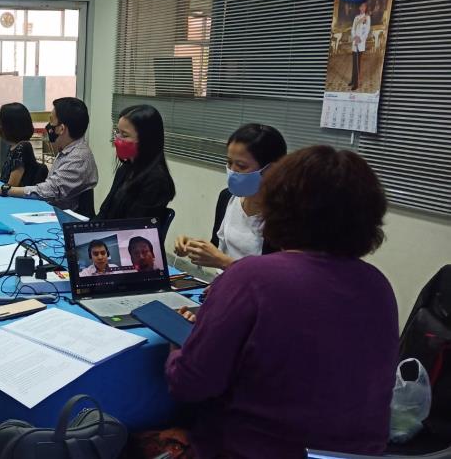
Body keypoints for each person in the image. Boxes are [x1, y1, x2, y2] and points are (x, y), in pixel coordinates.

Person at [165, 145, 398, 457]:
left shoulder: (251, 278)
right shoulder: (377, 285)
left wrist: (177, 344)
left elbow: (190, 384)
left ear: (277, 207)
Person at [173, 124, 286, 270]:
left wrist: (225, 262)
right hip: (224, 281)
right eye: (229, 162)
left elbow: (278, 275)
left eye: (241, 166)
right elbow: (218, 246)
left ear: (271, 169)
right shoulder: (227, 198)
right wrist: (193, 247)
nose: (232, 171)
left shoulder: (284, 216)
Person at [0, 97, 98, 214]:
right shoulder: (67, 150)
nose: (48, 126)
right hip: (52, 212)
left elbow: (49, 191)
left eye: (51, 120)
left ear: (61, 129)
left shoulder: (78, 158)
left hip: (65, 220)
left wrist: (4, 189)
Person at [96, 105, 175, 220]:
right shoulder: (125, 169)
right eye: (117, 132)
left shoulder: (156, 181)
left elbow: (133, 226)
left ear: (146, 139)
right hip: (109, 229)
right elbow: (104, 211)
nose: (118, 139)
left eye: (125, 135)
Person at [0, 102, 40, 187]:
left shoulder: (21, 148)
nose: (0, 126)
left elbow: (12, 186)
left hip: (14, 194)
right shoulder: (14, 146)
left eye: (1, 122)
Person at [349, 2, 370, 91]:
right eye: (361, 6)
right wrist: (354, 37)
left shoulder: (367, 17)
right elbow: (353, 29)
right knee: (354, 63)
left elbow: (367, 30)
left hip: (360, 43)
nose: (362, 8)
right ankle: (353, 80)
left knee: (357, 63)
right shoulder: (356, 18)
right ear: (359, 8)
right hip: (355, 42)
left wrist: (360, 38)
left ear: (366, 8)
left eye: (364, 6)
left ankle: (356, 83)